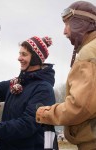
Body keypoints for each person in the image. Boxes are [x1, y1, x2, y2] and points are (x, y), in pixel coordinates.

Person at [0, 36, 59, 150]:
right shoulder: (16, 82)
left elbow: (27, 125)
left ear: (36, 58)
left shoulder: (43, 89)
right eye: (19, 54)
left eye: (24, 54)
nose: (19, 58)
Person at [36, 1, 96, 150]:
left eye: (67, 24)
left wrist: (44, 114)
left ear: (79, 24)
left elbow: (80, 107)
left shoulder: (89, 52)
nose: (64, 32)